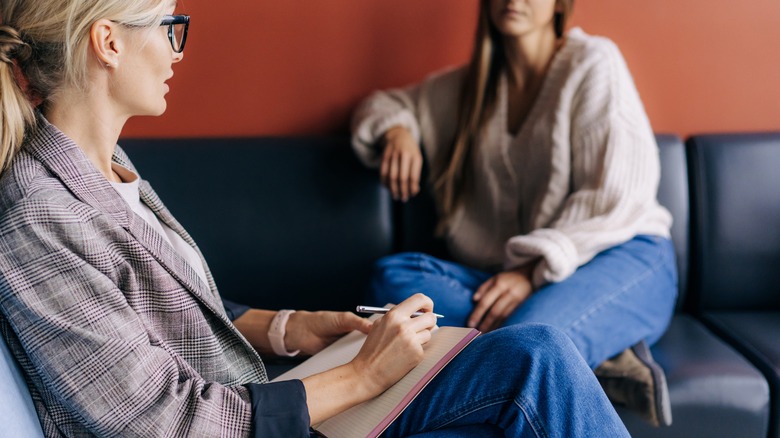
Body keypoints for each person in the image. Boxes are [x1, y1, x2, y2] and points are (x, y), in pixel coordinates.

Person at [0, 0, 632, 436]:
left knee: (534, 355)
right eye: (171, 26)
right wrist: (362, 376)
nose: (177, 50)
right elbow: (169, 423)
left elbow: (170, 315)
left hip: (261, 399)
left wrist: (291, 328)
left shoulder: (107, 169)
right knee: (536, 370)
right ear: (108, 42)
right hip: (246, 421)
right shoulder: (39, 219)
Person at [351, 0, 677, 427]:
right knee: (393, 281)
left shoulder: (593, 62)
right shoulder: (470, 88)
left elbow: (617, 196)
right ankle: (596, 359)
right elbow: (381, 105)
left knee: (529, 349)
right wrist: (398, 131)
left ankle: (561, 343)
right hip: (515, 278)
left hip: (621, 255)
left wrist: (530, 272)